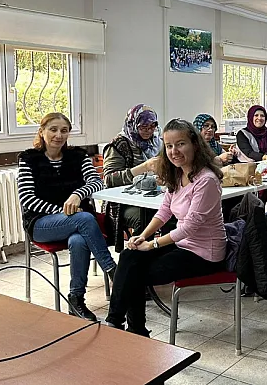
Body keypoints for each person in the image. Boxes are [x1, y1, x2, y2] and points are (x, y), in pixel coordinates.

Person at [105, 119, 226, 336]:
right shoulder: (178, 174)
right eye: (169, 146)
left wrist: (152, 244)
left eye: (180, 144)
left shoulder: (206, 180)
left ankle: (128, 328)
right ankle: (117, 323)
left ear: (195, 144)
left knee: (136, 272)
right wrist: (142, 237)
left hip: (205, 253)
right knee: (130, 255)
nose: (173, 151)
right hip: (183, 245)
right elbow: (164, 212)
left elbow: (188, 227)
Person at [18, 113, 117, 321]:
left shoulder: (78, 156)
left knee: (79, 240)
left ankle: (76, 299)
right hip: (41, 224)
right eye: (53, 129)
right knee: (85, 219)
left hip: (77, 222)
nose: (59, 135)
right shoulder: (28, 159)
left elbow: (97, 182)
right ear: (42, 131)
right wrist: (63, 211)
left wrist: (77, 195)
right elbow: (27, 198)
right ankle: (113, 271)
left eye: (64, 131)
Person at [103, 104, 163, 250]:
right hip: (124, 204)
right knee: (147, 219)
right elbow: (109, 179)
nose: (149, 131)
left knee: (175, 212)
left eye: (152, 126)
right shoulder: (118, 144)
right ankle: (137, 258)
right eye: (143, 127)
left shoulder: (156, 142)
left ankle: (163, 255)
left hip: (152, 197)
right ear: (133, 124)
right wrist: (144, 167)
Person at [236, 105, 267, 206]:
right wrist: (266, 157)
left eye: (262, 116)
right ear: (250, 117)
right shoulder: (242, 134)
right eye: (256, 115)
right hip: (252, 173)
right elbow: (249, 153)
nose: (259, 118)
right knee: (260, 198)